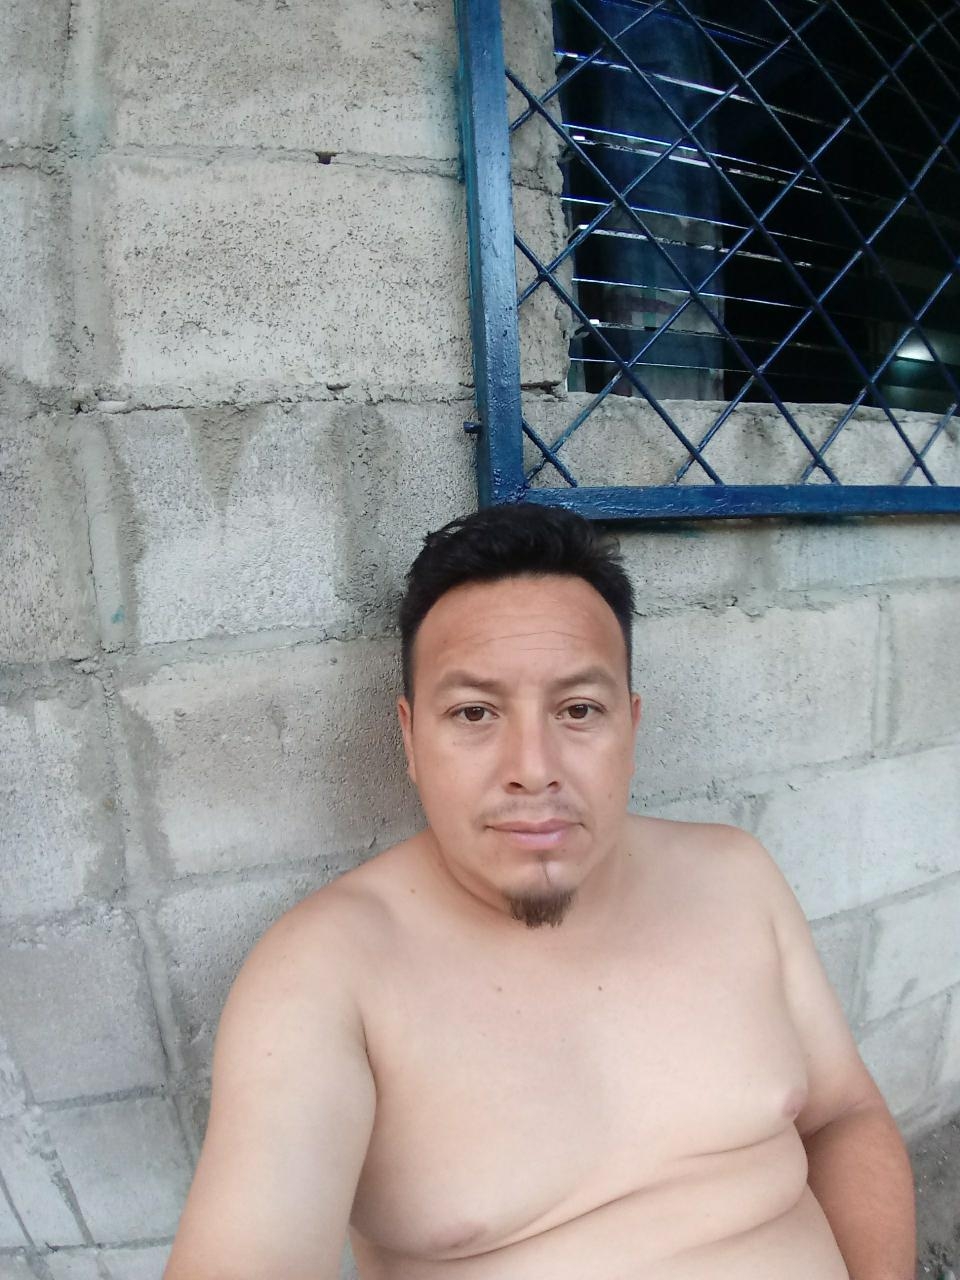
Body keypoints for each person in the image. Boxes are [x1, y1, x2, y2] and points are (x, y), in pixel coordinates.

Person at [164, 503, 916, 1280]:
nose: (533, 767)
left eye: (578, 710)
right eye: (475, 713)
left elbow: (844, 1115)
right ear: (410, 738)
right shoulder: (323, 974)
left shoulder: (735, 875)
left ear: (630, 728)